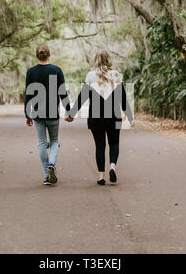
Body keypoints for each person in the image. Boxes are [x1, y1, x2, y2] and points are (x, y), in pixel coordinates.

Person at [68, 50, 134, 185]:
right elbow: (123, 99)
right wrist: (130, 117)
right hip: (113, 116)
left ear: (95, 60)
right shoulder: (116, 75)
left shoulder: (90, 76)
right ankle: (112, 166)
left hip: (96, 117)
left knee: (100, 146)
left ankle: (101, 177)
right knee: (114, 143)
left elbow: (82, 97)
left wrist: (71, 114)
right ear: (109, 60)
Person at [25, 44, 73, 186]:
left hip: (37, 113)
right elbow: (63, 92)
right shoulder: (56, 70)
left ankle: (47, 175)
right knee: (54, 141)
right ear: (49, 55)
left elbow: (28, 94)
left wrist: (27, 115)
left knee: (41, 142)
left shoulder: (31, 72)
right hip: (52, 113)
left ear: (37, 55)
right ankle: (52, 163)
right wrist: (69, 111)